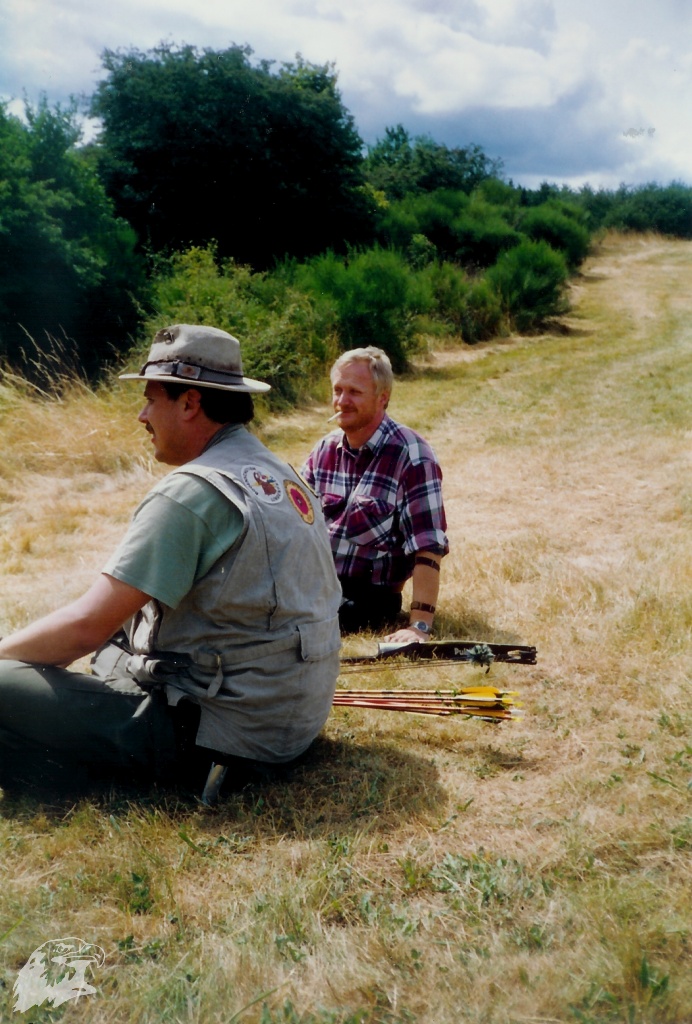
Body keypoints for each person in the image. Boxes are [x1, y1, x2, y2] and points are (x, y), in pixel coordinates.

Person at [0, 324, 342, 797]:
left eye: (151, 399)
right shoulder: (278, 473)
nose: (142, 415)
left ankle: (93, 778)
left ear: (189, 404)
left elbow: (83, 627)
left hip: (219, 737)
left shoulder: (192, 491)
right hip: (289, 720)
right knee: (114, 647)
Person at [302, 346, 448, 641]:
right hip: (313, 586)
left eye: (354, 392)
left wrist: (419, 626)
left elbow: (428, 546)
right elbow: (293, 521)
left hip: (367, 600)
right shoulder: (325, 450)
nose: (342, 401)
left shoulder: (412, 455)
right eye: (338, 390)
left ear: (383, 398)